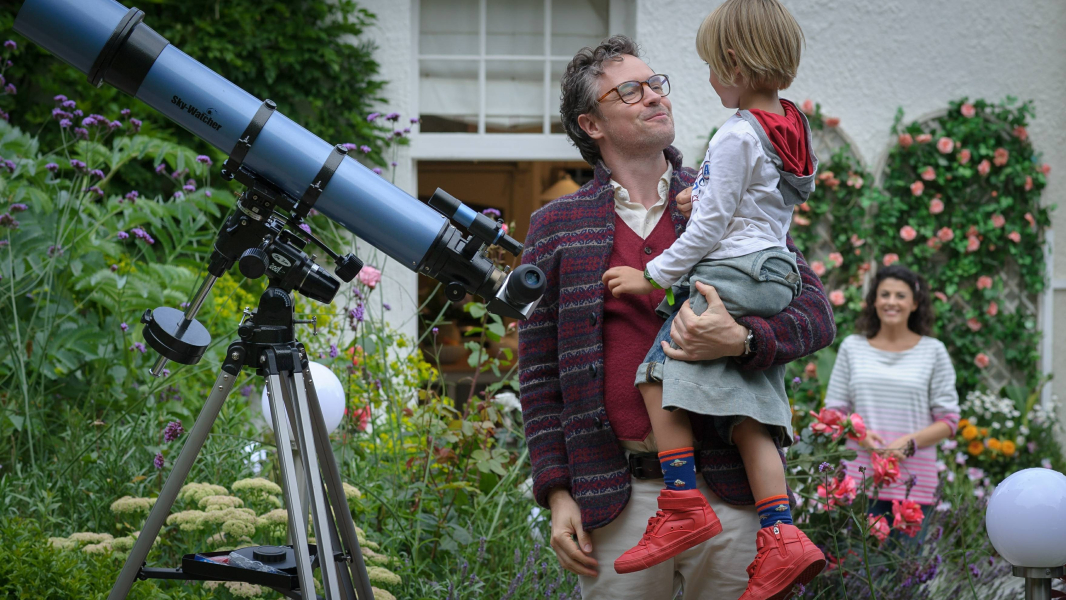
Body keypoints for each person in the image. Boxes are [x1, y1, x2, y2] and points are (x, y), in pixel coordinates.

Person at [517, 33, 836, 600]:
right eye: (630, 91)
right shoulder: (555, 226)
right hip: (617, 499)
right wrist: (558, 491)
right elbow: (539, 376)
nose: (654, 96)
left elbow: (814, 313)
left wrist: (742, 339)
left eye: (655, 83)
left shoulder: (724, 192)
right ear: (591, 124)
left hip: (734, 493)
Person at [599, 0, 825, 594]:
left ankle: (682, 505)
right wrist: (704, 197)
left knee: (655, 372)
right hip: (772, 271)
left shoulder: (734, 133)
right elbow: (763, 198)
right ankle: (781, 535)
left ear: (733, 63)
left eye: (708, 67)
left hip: (734, 269)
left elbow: (708, 232)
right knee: (751, 413)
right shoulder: (791, 124)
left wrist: (652, 276)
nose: (705, 80)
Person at [823, 264, 960, 523]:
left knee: (911, 553)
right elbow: (833, 412)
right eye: (884, 294)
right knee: (857, 550)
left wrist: (910, 442)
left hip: (914, 487)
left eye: (900, 295)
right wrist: (860, 434)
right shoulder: (852, 347)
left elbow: (949, 421)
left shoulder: (933, 351)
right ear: (874, 301)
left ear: (915, 303)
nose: (891, 302)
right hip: (860, 482)